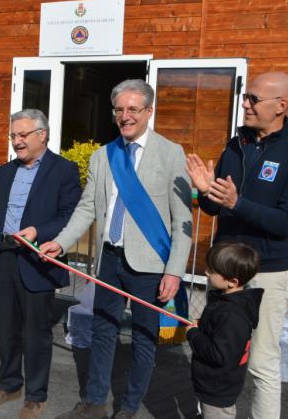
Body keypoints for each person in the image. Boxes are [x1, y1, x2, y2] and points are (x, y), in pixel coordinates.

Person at [41, 79, 193, 419]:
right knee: (103, 331)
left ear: (149, 112)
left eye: (133, 109)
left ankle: (128, 408)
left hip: (150, 266)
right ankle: (95, 402)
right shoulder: (102, 156)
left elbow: (182, 220)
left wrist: (174, 271)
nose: (125, 116)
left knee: (143, 339)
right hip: (109, 260)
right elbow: (87, 209)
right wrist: (60, 242)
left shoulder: (171, 154)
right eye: (119, 110)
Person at [186, 71, 288, 418]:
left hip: (268, 275)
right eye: (245, 97)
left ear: (281, 106)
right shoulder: (236, 145)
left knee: (261, 364)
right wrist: (206, 191)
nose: (244, 104)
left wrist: (236, 203)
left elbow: (286, 222)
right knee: (217, 356)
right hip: (226, 275)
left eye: (253, 99)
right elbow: (216, 207)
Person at [0, 109, 81, 419]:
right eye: (13, 135)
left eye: (23, 135)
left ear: (42, 135)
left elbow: (69, 216)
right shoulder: (6, 171)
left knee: (36, 332)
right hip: (5, 258)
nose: (17, 142)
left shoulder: (64, 170)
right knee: (6, 327)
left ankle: (36, 396)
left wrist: (40, 232)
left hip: (38, 259)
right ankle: (9, 384)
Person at [186, 241, 263, 419]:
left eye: (213, 271)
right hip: (213, 385)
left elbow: (219, 354)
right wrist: (202, 325)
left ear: (232, 281)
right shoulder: (226, 304)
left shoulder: (233, 315)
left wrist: (193, 334)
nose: (206, 272)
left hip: (218, 389)